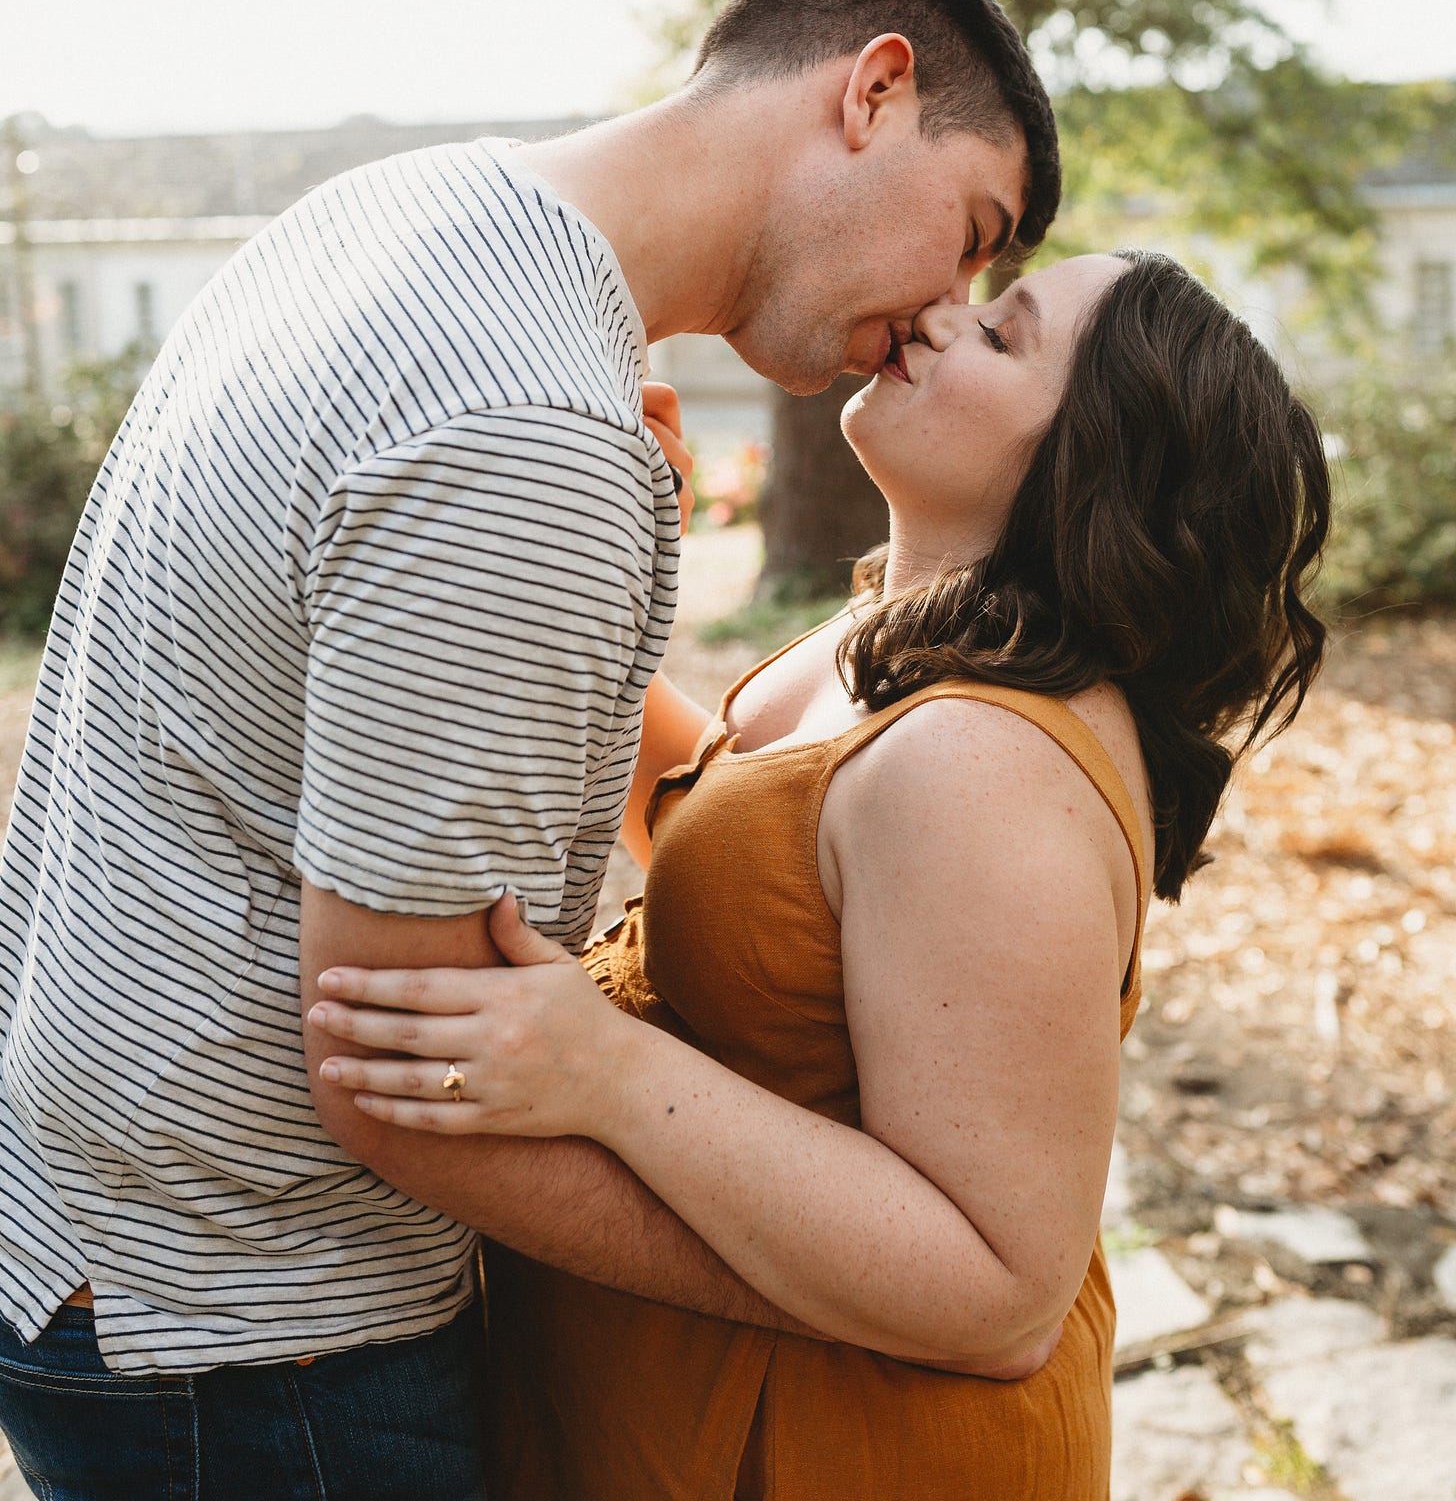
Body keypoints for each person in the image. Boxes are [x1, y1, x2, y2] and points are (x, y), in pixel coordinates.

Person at [0, 0, 1061, 1500]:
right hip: (256, 1332)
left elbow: (338, 713)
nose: (938, 307)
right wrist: (877, 1302)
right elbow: (410, 1089)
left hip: (109, 1236)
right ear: (875, 92)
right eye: (971, 234)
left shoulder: (406, 214)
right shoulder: (526, 430)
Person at [312, 247, 1331, 1500]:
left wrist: (608, 1073)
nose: (941, 314)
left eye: (1002, 336)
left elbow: (999, 1291)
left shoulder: (982, 763)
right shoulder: (900, 639)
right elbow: (732, 853)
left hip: (843, 1445)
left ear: (1089, 468)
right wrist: (582, 563)